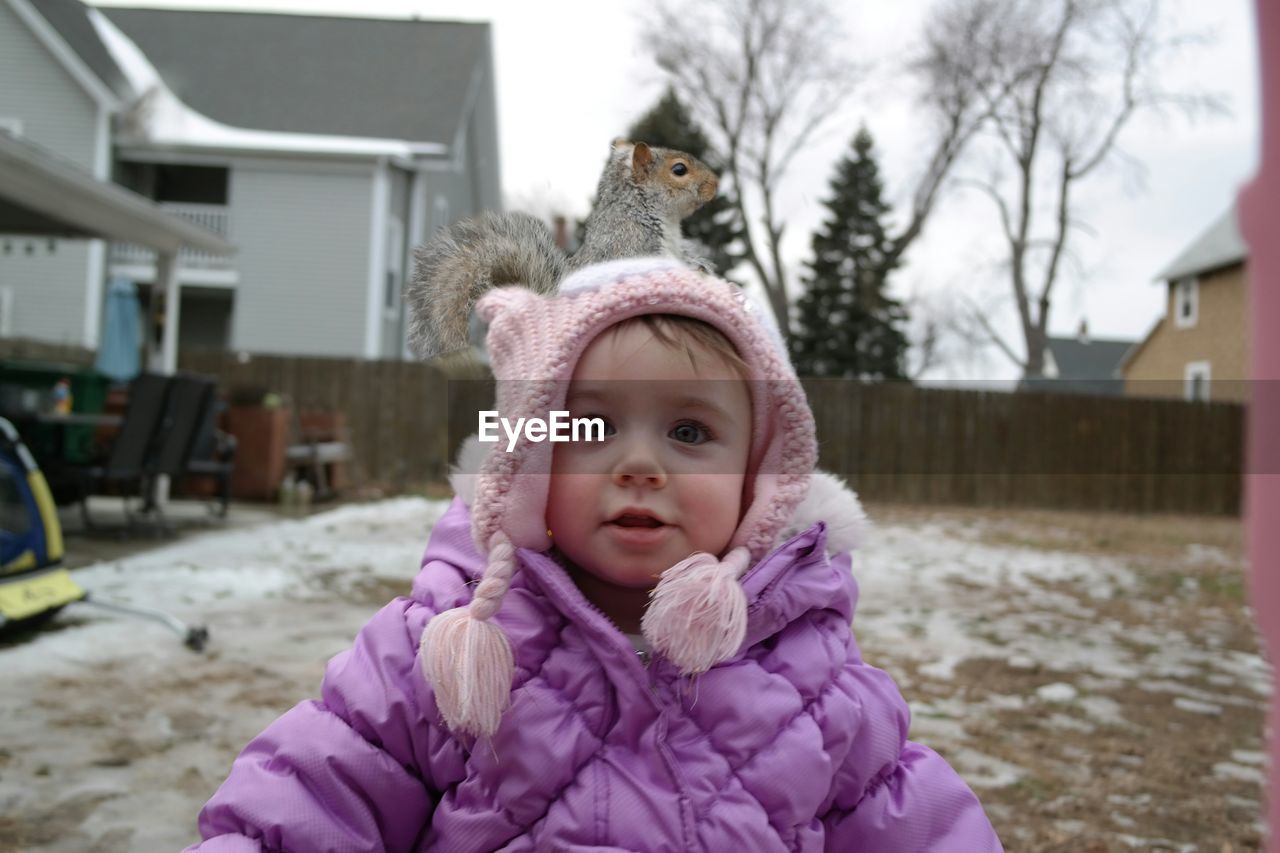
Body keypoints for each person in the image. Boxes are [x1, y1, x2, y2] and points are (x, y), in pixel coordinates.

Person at [188, 258, 1003, 851]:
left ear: (762, 478)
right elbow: (308, 799)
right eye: (591, 427)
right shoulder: (451, 646)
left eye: (690, 432)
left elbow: (920, 828)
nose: (638, 464)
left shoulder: (816, 681)